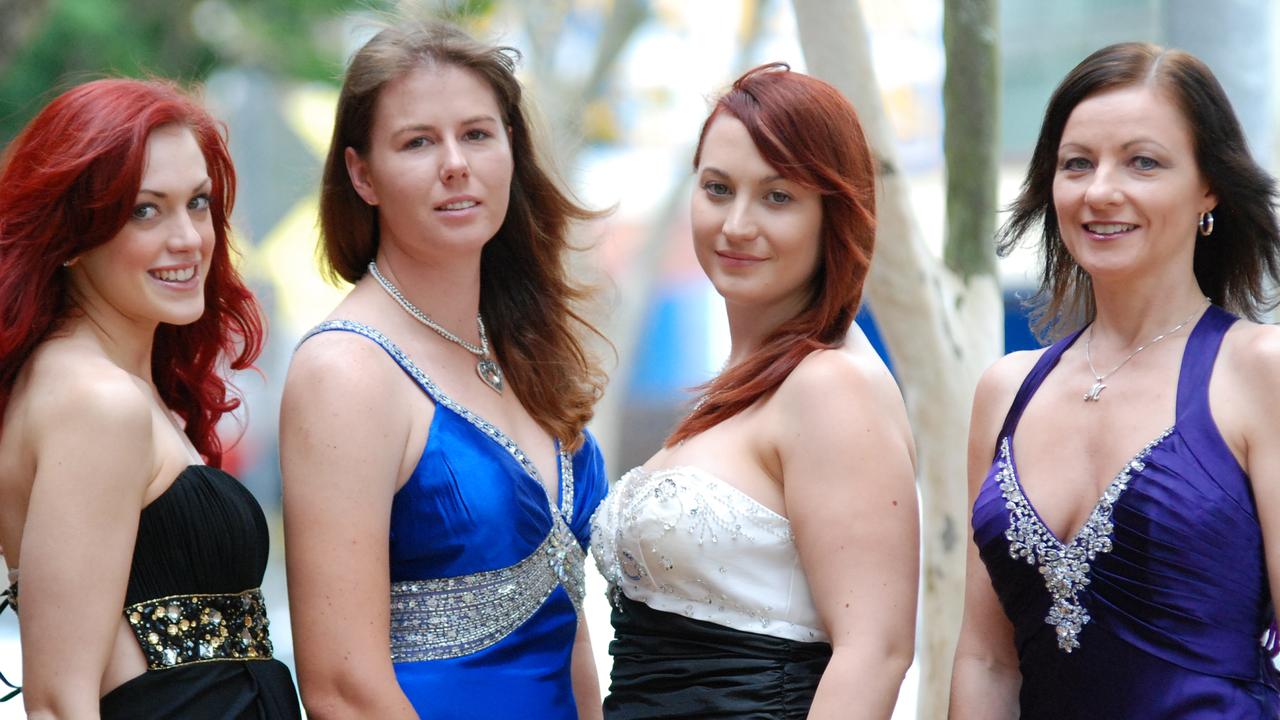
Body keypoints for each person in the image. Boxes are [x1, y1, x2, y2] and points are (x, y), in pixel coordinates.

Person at [281, 18, 610, 720]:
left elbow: (568, 627)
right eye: (418, 142)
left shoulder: (523, 346)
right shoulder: (346, 370)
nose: (455, 163)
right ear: (362, 175)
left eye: (477, 134)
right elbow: (343, 692)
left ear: (511, 149)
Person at [950, 42, 1280, 718]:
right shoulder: (1006, 391)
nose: (1100, 191)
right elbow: (986, 660)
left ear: (1209, 187)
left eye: (1143, 162)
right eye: (1077, 164)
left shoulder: (1259, 371)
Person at [590, 63, 919, 719]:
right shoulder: (748, 378)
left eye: (777, 197)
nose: (736, 225)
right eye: (718, 188)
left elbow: (876, 651)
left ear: (835, 214)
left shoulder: (831, 385)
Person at [0, 78, 300, 719]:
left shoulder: (108, 386)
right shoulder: (95, 403)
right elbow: (57, 702)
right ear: (74, 234)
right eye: (146, 209)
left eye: (198, 203)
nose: (190, 238)